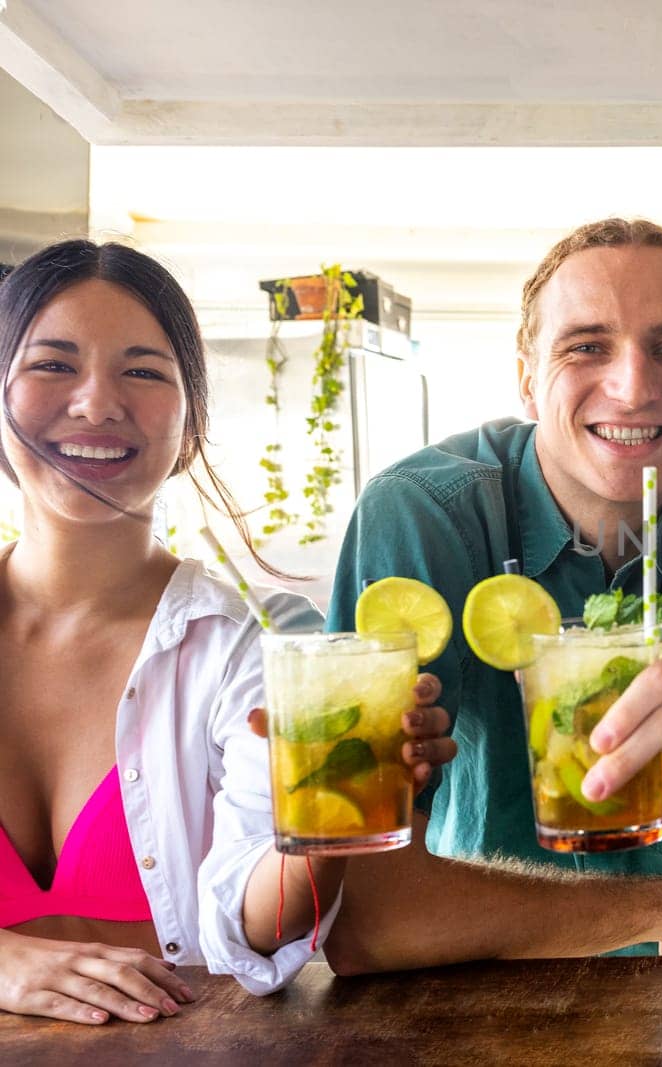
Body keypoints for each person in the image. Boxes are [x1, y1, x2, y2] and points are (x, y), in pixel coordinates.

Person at [316, 217, 662, 970]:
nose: (632, 385)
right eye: (587, 345)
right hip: (455, 976)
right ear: (527, 377)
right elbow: (364, 916)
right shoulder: (419, 515)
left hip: (661, 989)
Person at [0, 239, 451, 1024]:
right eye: (52, 364)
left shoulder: (257, 646)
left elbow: (253, 927)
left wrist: (329, 818)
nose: (97, 402)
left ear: (193, 422)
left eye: (143, 370)